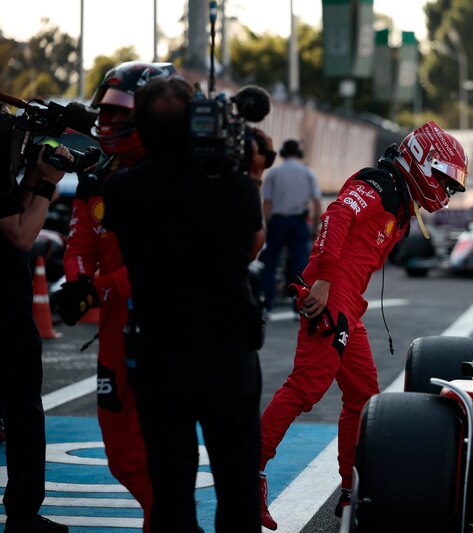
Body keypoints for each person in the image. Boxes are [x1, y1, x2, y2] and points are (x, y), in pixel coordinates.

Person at [258, 120, 469, 530]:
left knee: (362, 393)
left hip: (348, 304)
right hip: (331, 294)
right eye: (444, 179)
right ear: (424, 163)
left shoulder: (399, 195)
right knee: (306, 387)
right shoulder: (380, 184)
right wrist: (323, 279)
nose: (446, 191)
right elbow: (336, 216)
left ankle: (352, 487)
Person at [101, 77, 266, 532]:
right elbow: (252, 245)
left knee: (170, 488)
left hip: (159, 355)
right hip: (227, 352)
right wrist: (251, 173)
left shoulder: (123, 191)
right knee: (237, 484)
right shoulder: (235, 187)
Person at [55, 61, 180, 532]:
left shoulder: (174, 177)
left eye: (118, 114)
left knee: (163, 453)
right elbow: (80, 242)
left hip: (164, 328)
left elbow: (158, 263)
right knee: (121, 458)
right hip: (113, 328)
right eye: (104, 114)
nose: (107, 125)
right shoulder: (96, 175)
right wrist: (79, 284)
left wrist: (96, 287)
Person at [0, 142, 73, 532]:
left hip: (11, 305)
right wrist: (45, 184)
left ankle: (24, 514)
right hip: (6, 310)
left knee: (22, 408)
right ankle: (23, 515)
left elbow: (11, 205)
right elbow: (21, 235)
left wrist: (32, 176)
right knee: (23, 409)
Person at [258, 139, 322, 318]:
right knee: (300, 266)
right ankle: (298, 308)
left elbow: (267, 204)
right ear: (299, 153)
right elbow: (316, 203)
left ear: (283, 153)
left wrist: (264, 226)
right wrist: (316, 228)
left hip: (277, 223)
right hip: (298, 223)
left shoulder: (274, 173)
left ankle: (266, 306)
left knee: (270, 265)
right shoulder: (307, 173)